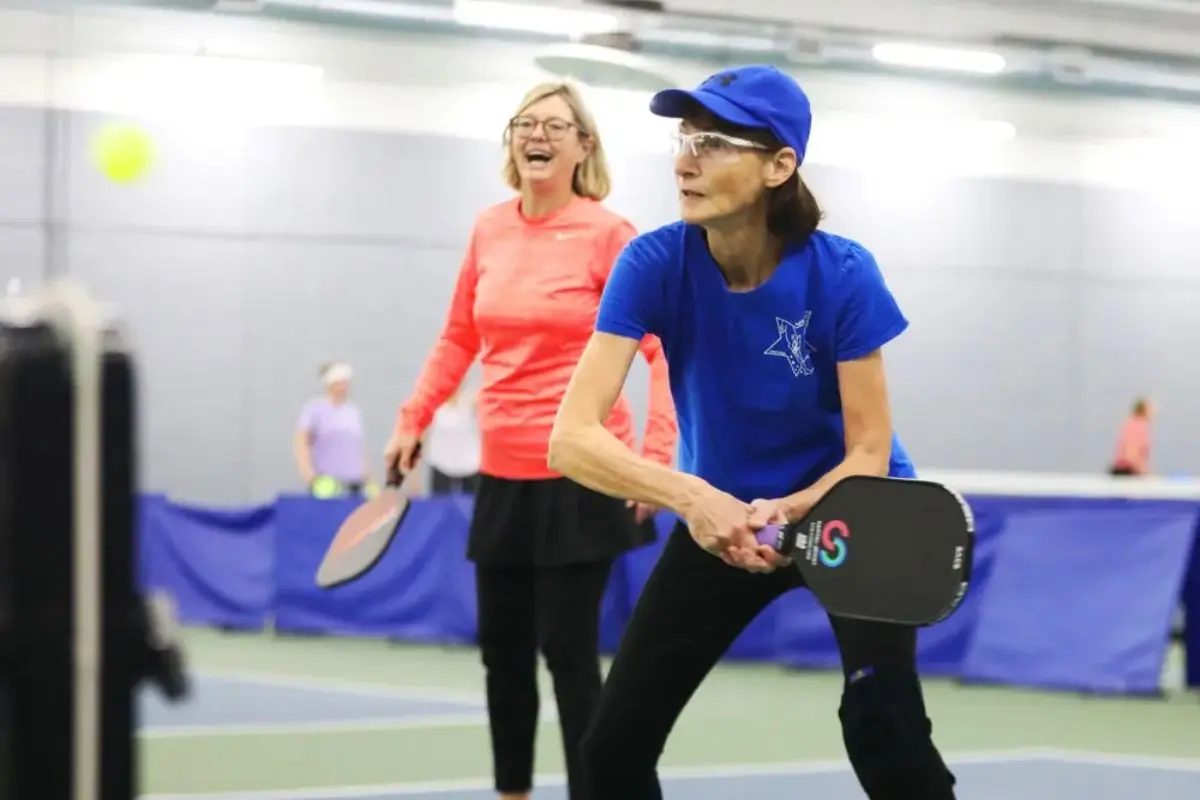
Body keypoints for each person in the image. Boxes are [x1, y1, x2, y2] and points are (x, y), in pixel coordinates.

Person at [548, 65, 958, 799]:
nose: (684, 159)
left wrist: (791, 508)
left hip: (854, 511)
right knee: (612, 748)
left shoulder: (843, 274)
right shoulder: (651, 263)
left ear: (779, 165)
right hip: (724, 515)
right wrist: (693, 499)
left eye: (712, 142)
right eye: (682, 139)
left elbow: (867, 448)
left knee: (883, 727)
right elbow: (572, 438)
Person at [385, 80, 677, 800]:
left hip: (583, 474)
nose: (535, 133)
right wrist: (412, 418)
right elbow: (460, 335)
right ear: (512, 142)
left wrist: (658, 459)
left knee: (570, 659)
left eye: (555, 124)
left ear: (583, 146)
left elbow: (662, 349)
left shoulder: (611, 236)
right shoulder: (489, 228)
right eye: (524, 123)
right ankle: (511, 792)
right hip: (503, 473)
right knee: (502, 659)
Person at [294, 361, 372, 496]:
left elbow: (359, 447)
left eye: (346, 382)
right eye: (340, 382)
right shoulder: (314, 409)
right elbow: (301, 442)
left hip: (354, 485)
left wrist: (368, 479)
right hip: (326, 485)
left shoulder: (353, 412)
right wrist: (310, 476)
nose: (344, 387)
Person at [424, 380, 482, 495]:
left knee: (474, 508)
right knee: (439, 507)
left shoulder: (471, 401)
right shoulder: (433, 404)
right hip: (441, 465)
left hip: (471, 467)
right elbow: (420, 438)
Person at [1109, 396, 1154, 476]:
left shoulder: (1131, 423)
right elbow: (1131, 454)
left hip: (1125, 470)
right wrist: (1144, 473)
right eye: (1151, 409)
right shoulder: (1138, 426)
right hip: (1127, 473)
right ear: (1144, 410)